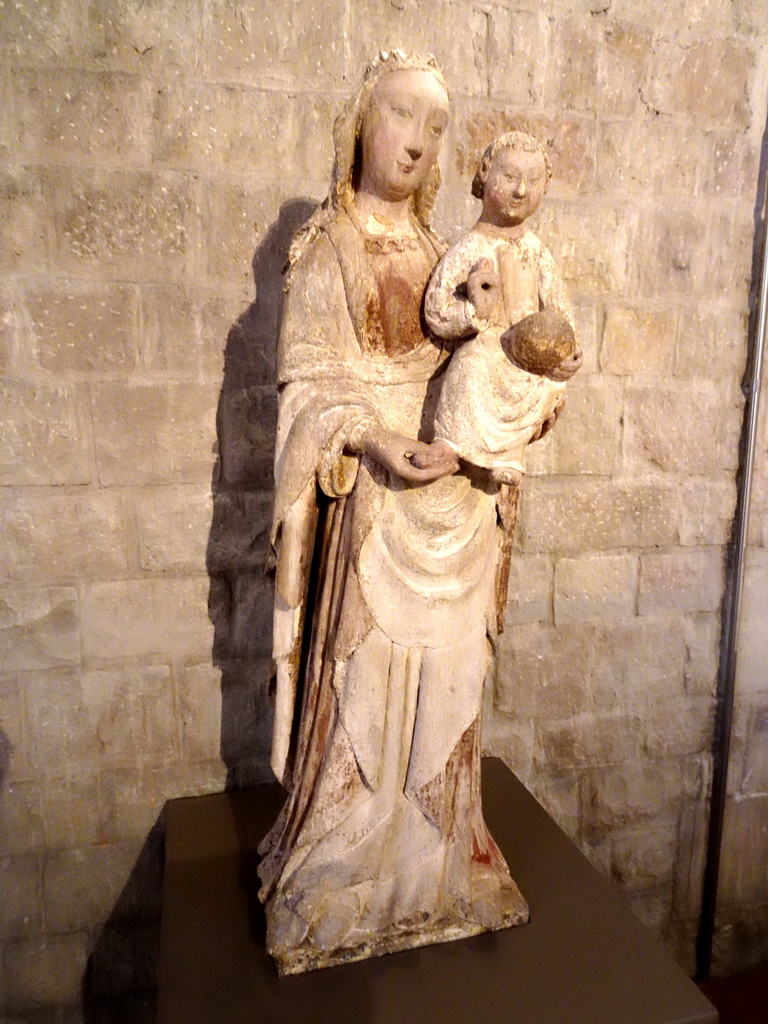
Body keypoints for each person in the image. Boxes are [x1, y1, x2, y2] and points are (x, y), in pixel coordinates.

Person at [257, 51, 529, 977]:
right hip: (377, 505)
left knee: (447, 696)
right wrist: (372, 440)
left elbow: (492, 358)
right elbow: (306, 391)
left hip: (453, 504)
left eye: (437, 125)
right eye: (403, 114)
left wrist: (508, 412)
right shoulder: (323, 249)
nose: (418, 139)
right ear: (362, 123)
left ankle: (441, 856)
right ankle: (340, 862)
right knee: (363, 699)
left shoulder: (458, 255)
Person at [417, 131, 582, 485]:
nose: (521, 190)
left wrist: (569, 354)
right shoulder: (471, 247)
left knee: (548, 387)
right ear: (485, 173)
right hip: (490, 350)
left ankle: (510, 453)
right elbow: (436, 309)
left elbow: (559, 310)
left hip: (529, 361)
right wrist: (474, 309)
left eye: (533, 180)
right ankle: (451, 443)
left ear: (546, 185)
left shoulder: (537, 252)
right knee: (469, 363)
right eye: (509, 177)